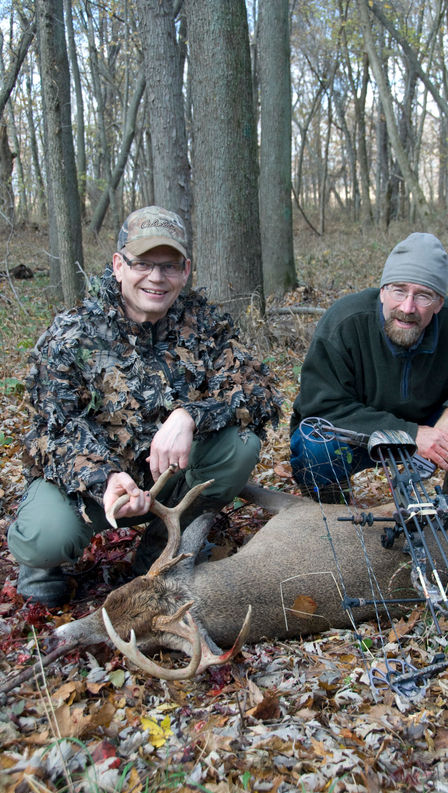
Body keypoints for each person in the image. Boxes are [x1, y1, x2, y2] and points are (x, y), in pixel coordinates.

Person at [8, 206, 281, 606]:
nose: (156, 278)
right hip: (95, 487)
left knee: (240, 444)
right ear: (118, 265)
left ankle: (161, 551)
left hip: (168, 481)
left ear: (185, 270)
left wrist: (190, 415)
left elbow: (261, 391)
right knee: (44, 537)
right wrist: (107, 478)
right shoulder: (71, 334)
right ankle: (43, 565)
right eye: (142, 264)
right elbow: (56, 431)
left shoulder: (206, 325)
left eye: (168, 266)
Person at [290, 232, 448, 501]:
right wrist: (411, 435)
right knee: (314, 442)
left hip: (430, 421)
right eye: (399, 290)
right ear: (382, 292)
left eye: (423, 296)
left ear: (440, 303)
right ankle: (333, 514)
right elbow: (321, 408)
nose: (407, 307)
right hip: (357, 433)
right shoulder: (345, 322)